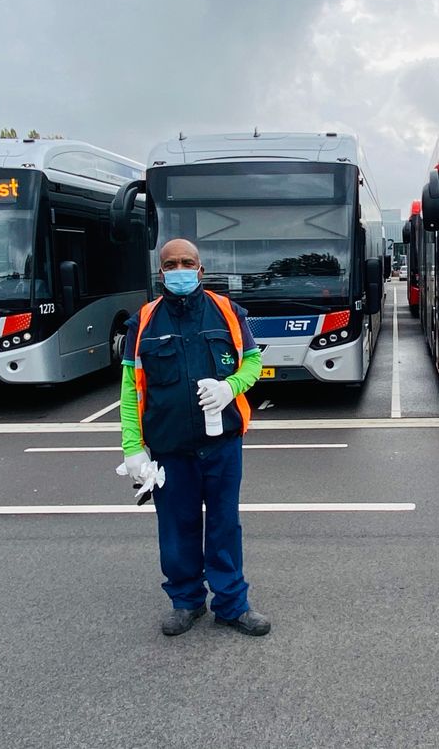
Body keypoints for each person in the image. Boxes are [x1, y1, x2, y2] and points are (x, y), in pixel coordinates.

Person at [118, 238, 269, 637]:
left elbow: (254, 362)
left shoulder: (228, 313)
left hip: (222, 446)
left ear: (200, 270)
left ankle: (232, 604)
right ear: (161, 272)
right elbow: (129, 391)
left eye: (187, 263)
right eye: (171, 264)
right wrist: (132, 447)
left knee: (224, 525)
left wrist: (231, 387)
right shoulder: (143, 323)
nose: (180, 270)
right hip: (170, 450)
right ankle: (185, 602)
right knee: (176, 527)